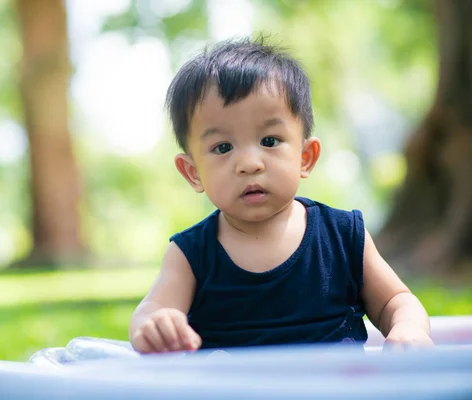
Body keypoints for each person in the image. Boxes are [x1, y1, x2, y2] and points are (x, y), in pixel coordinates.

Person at [129, 37, 433, 354]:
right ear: (193, 172)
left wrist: (407, 327)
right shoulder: (191, 255)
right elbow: (151, 311)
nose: (249, 163)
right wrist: (155, 325)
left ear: (305, 157)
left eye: (270, 140)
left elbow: (396, 301)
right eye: (222, 147)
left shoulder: (343, 236)